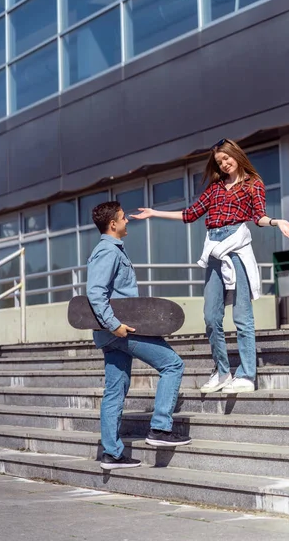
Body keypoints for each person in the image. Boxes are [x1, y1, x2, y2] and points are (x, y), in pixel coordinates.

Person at [132, 139, 289, 394]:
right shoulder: (215, 188)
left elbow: (258, 216)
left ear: (236, 155)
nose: (224, 164)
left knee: (242, 316)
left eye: (226, 159)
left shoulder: (253, 184)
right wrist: (154, 213)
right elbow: (190, 214)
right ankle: (222, 372)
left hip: (236, 249)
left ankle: (245, 375)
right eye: (219, 162)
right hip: (213, 250)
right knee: (211, 317)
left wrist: (277, 222)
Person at [87, 201, 191, 471]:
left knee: (115, 390)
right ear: (113, 224)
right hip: (122, 330)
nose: (127, 221)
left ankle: (112, 453)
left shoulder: (110, 250)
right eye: (124, 217)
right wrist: (114, 325)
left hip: (113, 333)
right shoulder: (107, 252)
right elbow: (95, 293)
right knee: (172, 364)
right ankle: (160, 428)